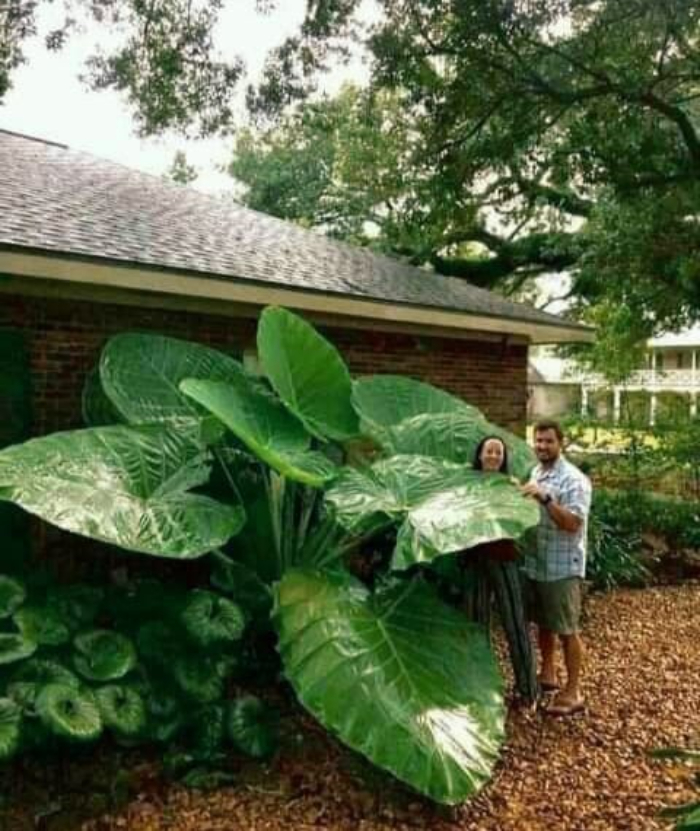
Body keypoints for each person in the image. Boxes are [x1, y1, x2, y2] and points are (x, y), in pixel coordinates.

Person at [520, 419, 592, 716]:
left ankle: (573, 691)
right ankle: (548, 673)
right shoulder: (537, 472)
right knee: (544, 623)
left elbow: (573, 524)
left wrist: (545, 498)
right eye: (538, 441)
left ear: (560, 443)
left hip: (562, 566)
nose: (542, 446)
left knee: (567, 629)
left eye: (548, 441)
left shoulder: (574, 480)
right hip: (536, 561)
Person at [464, 436, 539, 704]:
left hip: (504, 558)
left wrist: (526, 493)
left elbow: (524, 516)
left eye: (499, 452)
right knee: (476, 625)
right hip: (474, 559)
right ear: (480, 455)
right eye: (489, 451)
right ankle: (480, 689)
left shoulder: (510, 485)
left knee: (514, 623)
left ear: (503, 457)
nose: (494, 455)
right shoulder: (467, 484)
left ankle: (528, 691)